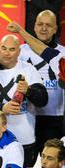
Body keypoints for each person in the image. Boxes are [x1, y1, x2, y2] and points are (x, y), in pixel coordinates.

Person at [0, 34, 48, 168]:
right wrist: (2, 108)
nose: (7, 53)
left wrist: (29, 91)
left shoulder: (29, 69)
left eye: (12, 49)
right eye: (3, 48)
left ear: (19, 52)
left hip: (25, 140)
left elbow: (43, 100)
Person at [9, 12, 65, 158]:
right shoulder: (20, 51)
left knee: (52, 159)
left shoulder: (62, 54)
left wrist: (21, 30)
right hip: (27, 117)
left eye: (48, 25)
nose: (44, 29)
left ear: (55, 29)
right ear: (34, 27)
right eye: (40, 24)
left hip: (55, 118)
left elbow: (45, 51)